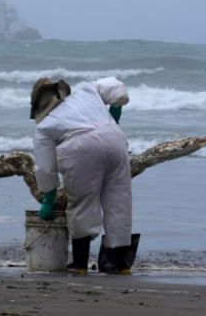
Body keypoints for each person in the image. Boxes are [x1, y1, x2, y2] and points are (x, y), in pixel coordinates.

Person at [31, 76, 137, 275]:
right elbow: (116, 88)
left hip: (80, 148)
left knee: (82, 204)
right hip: (115, 139)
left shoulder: (44, 127)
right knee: (119, 201)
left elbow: (45, 167)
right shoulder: (86, 91)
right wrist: (115, 113)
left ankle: (80, 265)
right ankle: (120, 264)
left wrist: (48, 198)